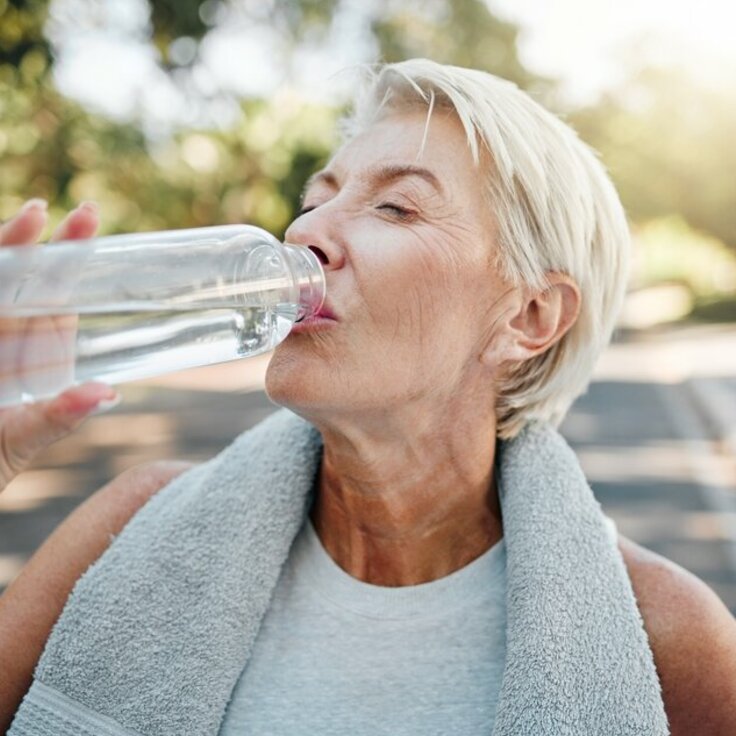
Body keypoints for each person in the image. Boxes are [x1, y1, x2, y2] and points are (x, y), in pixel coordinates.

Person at [1, 60, 735, 736]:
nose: (304, 232)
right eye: (317, 199)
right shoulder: (130, 526)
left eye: (396, 208)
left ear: (529, 318)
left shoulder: (670, 637)